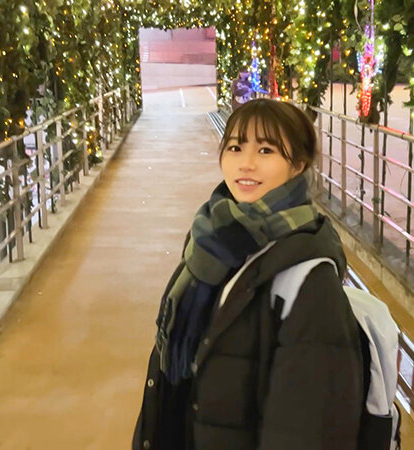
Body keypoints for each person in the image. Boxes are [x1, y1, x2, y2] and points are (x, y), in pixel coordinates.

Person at [133, 99, 364, 450]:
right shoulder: (210, 237)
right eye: (235, 147)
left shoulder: (307, 278)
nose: (246, 163)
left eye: (266, 150)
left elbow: (308, 428)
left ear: (298, 165)